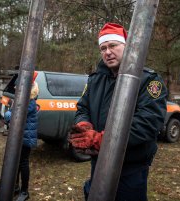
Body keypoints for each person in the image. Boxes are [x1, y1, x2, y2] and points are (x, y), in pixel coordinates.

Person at [69, 23, 167, 201]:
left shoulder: (148, 80)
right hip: (98, 163)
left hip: (131, 168)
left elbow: (148, 122)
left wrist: (103, 140)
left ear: (127, 46)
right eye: (103, 48)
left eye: (113, 45)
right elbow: (82, 108)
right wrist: (84, 126)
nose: (107, 52)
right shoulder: (95, 80)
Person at [4, 72, 39, 201]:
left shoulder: (29, 101)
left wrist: (8, 113)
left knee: (23, 163)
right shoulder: (23, 99)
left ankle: (25, 191)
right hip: (19, 136)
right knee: (17, 162)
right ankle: (16, 187)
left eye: (17, 85)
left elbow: (13, 116)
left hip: (25, 137)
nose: (14, 87)